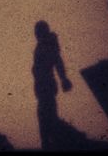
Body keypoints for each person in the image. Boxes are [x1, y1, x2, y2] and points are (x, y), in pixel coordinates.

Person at [32, 20, 72, 149]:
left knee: (46, 117)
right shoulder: (43, 45)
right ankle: (48, 143)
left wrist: (64, 79)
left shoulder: (47, 45)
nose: (35, 34)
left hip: (46, 87)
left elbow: (57, 61)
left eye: (37, 31)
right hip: (42, 87)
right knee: (45, 116)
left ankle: (49, 144)